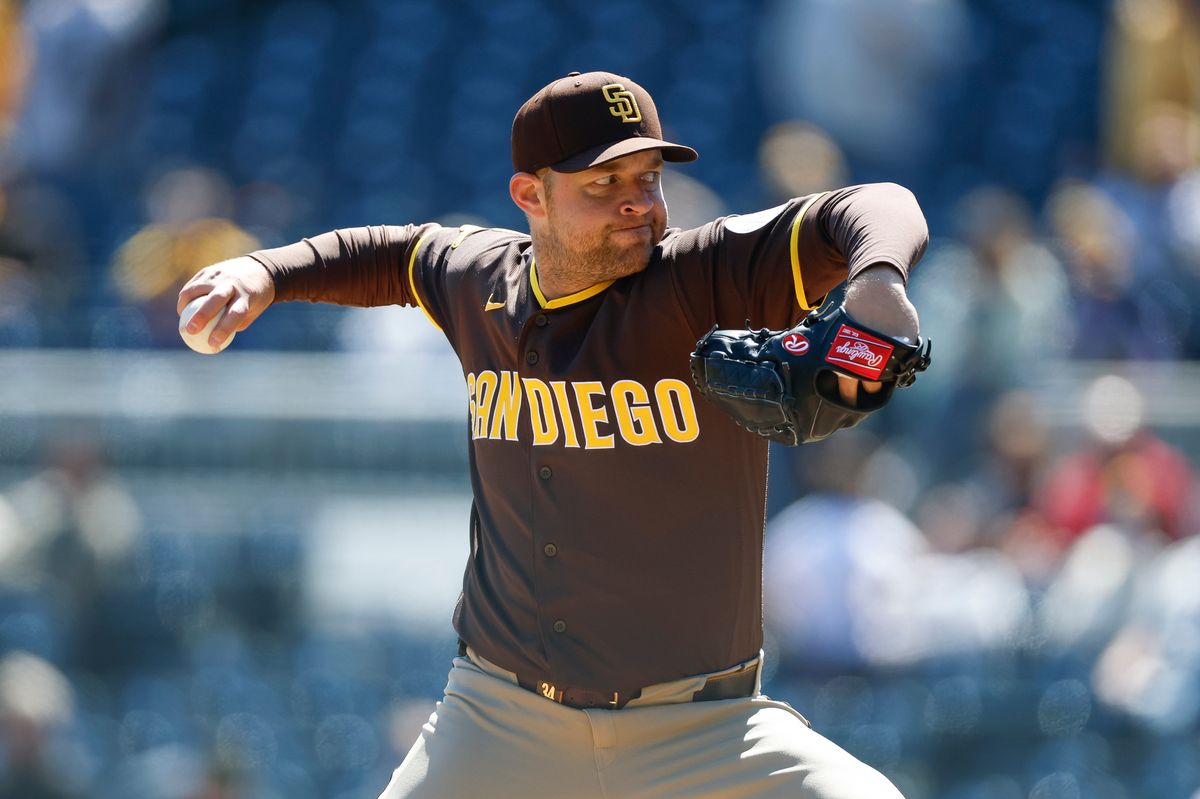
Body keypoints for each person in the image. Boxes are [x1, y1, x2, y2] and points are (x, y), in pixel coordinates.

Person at [178, 71, 927, 799]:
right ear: (529, 195)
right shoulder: (480, 281)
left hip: (705, 731)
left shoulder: (707, 277)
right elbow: (389, 254)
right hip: (499, 722)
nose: (637, 203)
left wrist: (878, 280)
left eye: (647, 179)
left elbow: (878, 204)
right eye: (603, 183)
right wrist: (263, 271)